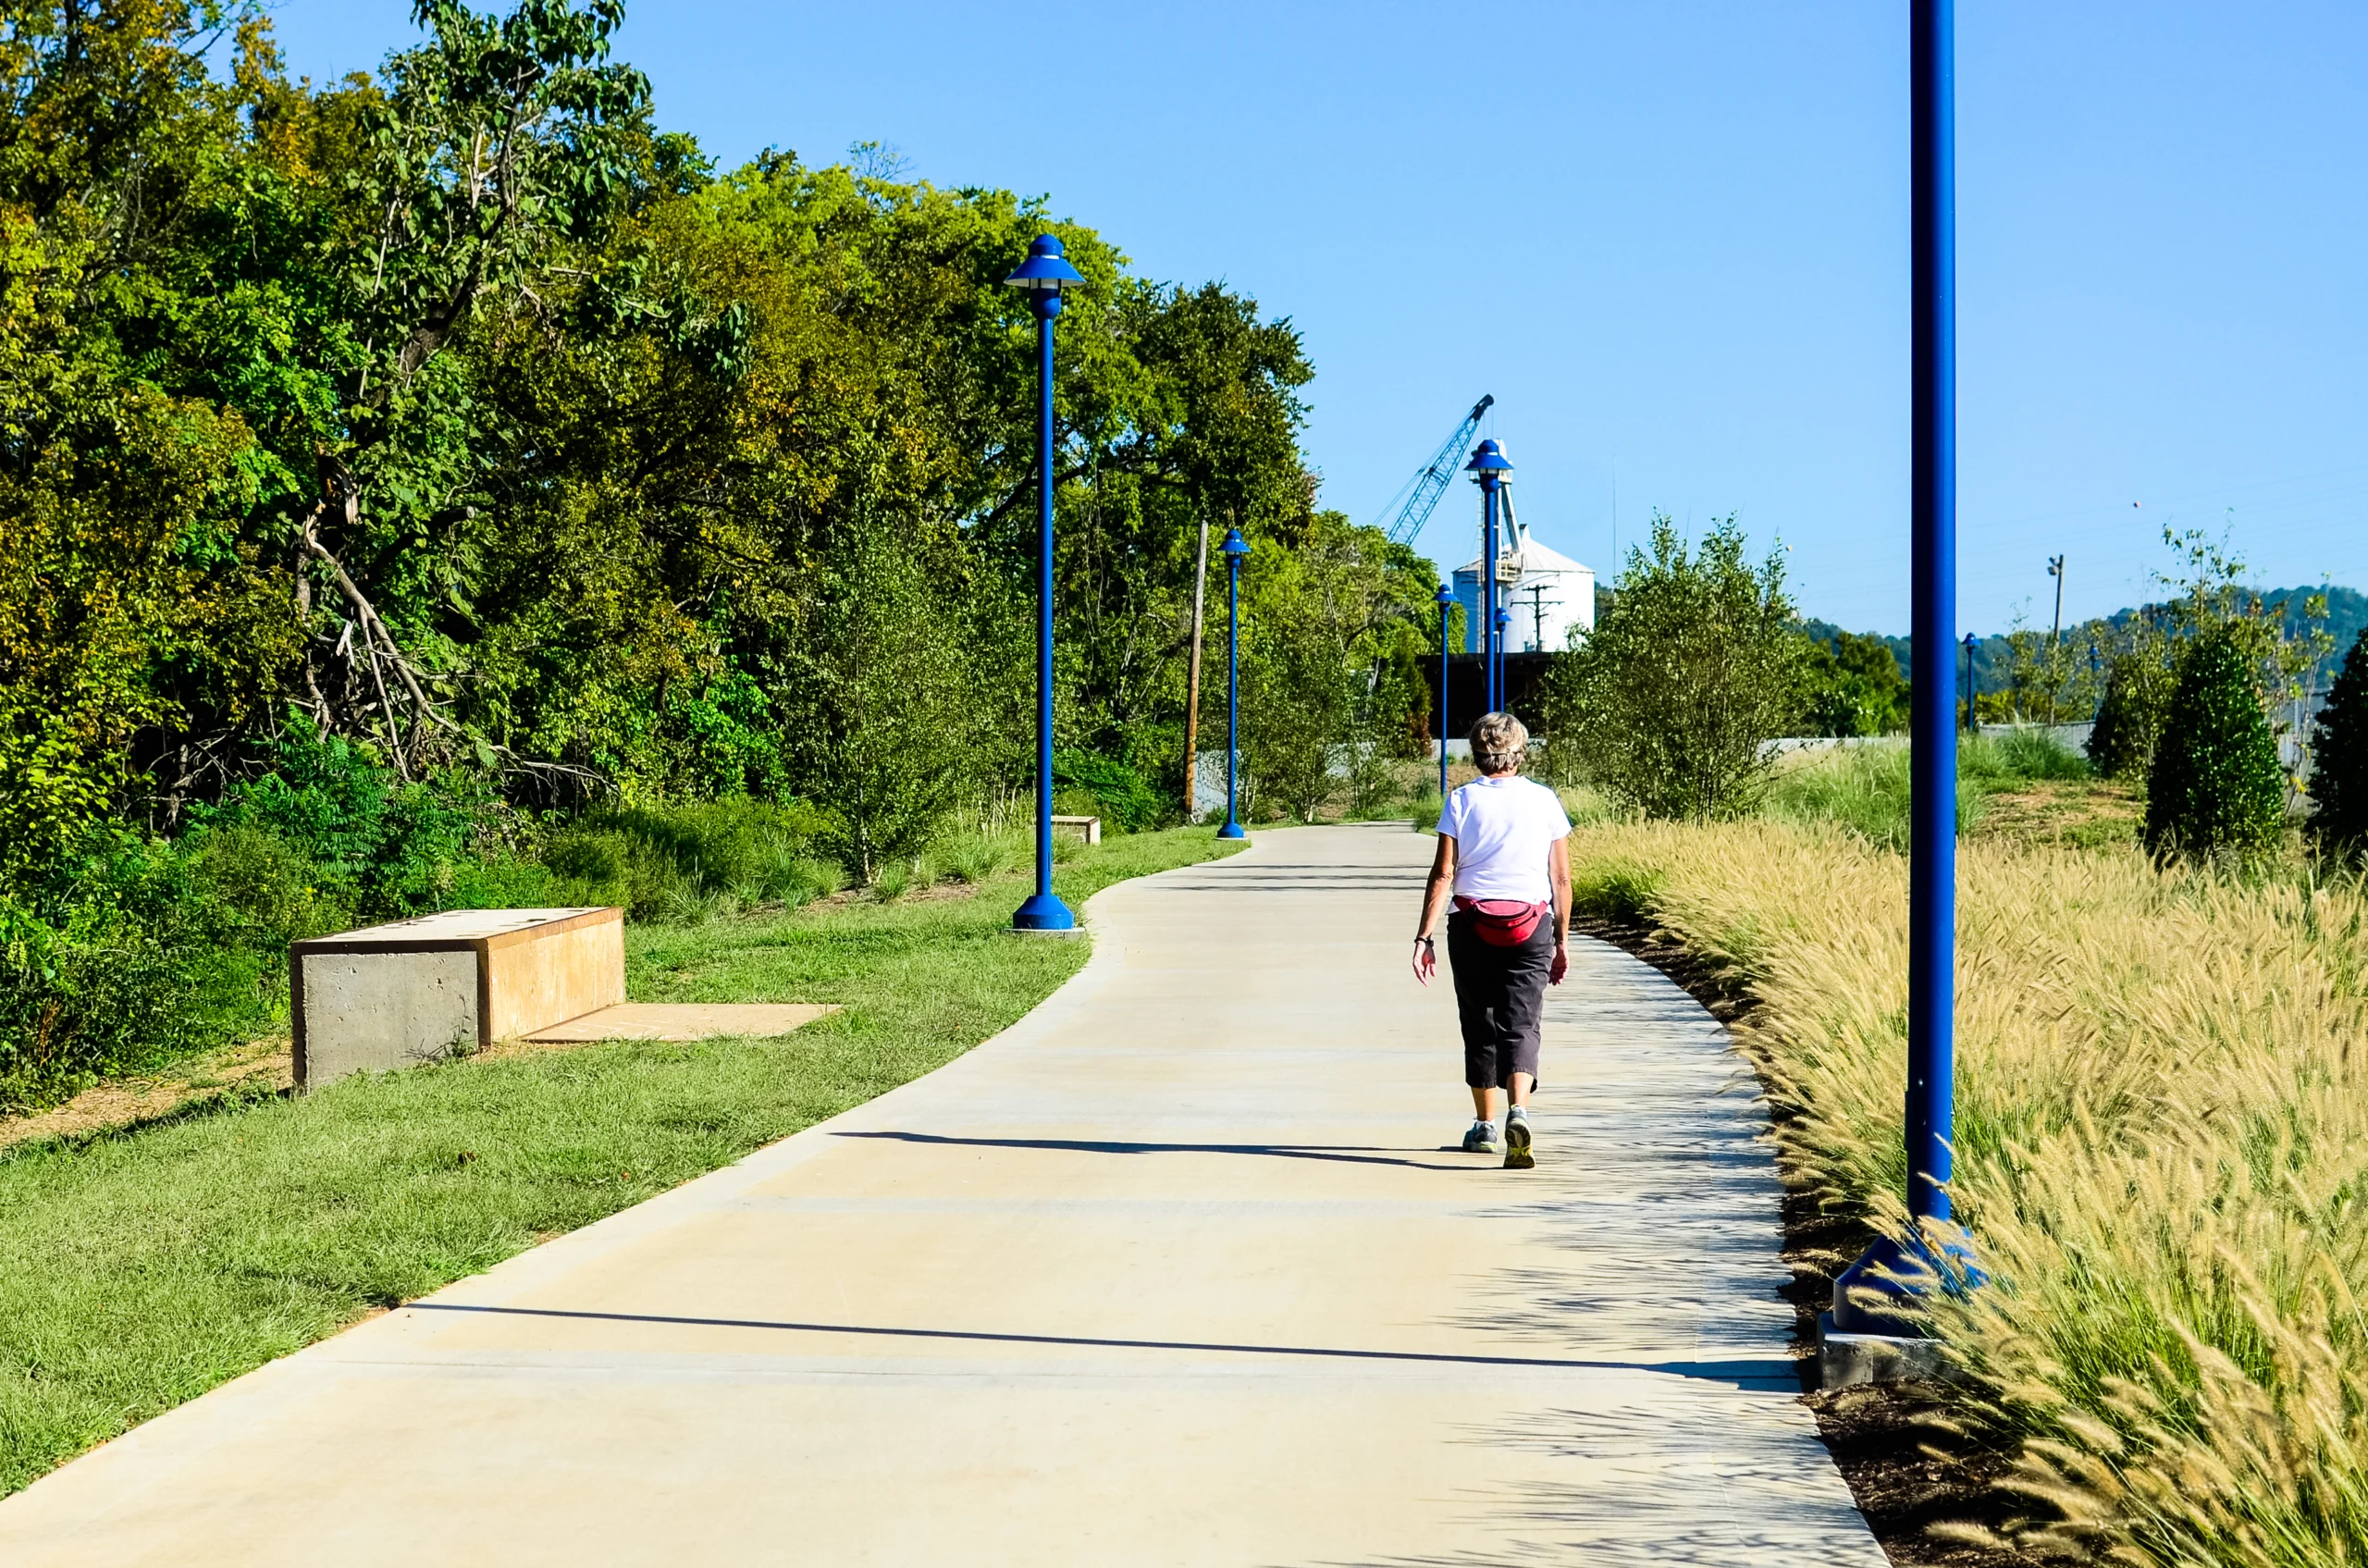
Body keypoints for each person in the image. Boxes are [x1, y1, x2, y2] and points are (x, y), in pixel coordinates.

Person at [1412, 711, 1572, 1169]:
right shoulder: (1544, 801)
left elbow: (1444, 873)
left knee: (1478, 1021)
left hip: (1472, 924)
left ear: (1478, 756)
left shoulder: (1461, 801)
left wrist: (1424, 937)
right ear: (1519, 752)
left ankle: (1483, 1127)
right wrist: (1560, 940)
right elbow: (1559, 877)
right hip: (1531, 925)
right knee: (1522, 1022)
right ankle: (1518, 1111)